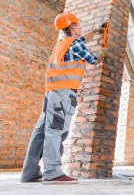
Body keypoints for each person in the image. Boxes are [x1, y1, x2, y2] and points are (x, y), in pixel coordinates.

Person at [20, 12, 107, 184]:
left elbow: (81, 40)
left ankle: (29, 173)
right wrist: (103, 52)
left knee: (40, 133)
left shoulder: (63, 43)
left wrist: (95, 31)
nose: (80, 28)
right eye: (78, 25)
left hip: (51, 94)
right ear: (73, 27)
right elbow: (93, 60)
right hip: (62, 95)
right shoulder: (74, 45)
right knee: (56, 131)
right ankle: (52, 172)